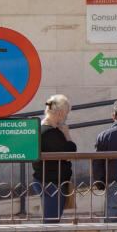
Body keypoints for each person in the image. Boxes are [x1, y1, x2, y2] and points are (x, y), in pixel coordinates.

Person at [32, 94, 76, 223]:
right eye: (66, 113)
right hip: (52, 183)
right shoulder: (52, 133)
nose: (66, 116)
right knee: (51, 221)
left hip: (43, 180)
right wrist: (67, 134)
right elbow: (70, 153)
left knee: (51, 218)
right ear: (61, 112)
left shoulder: (40, 128)